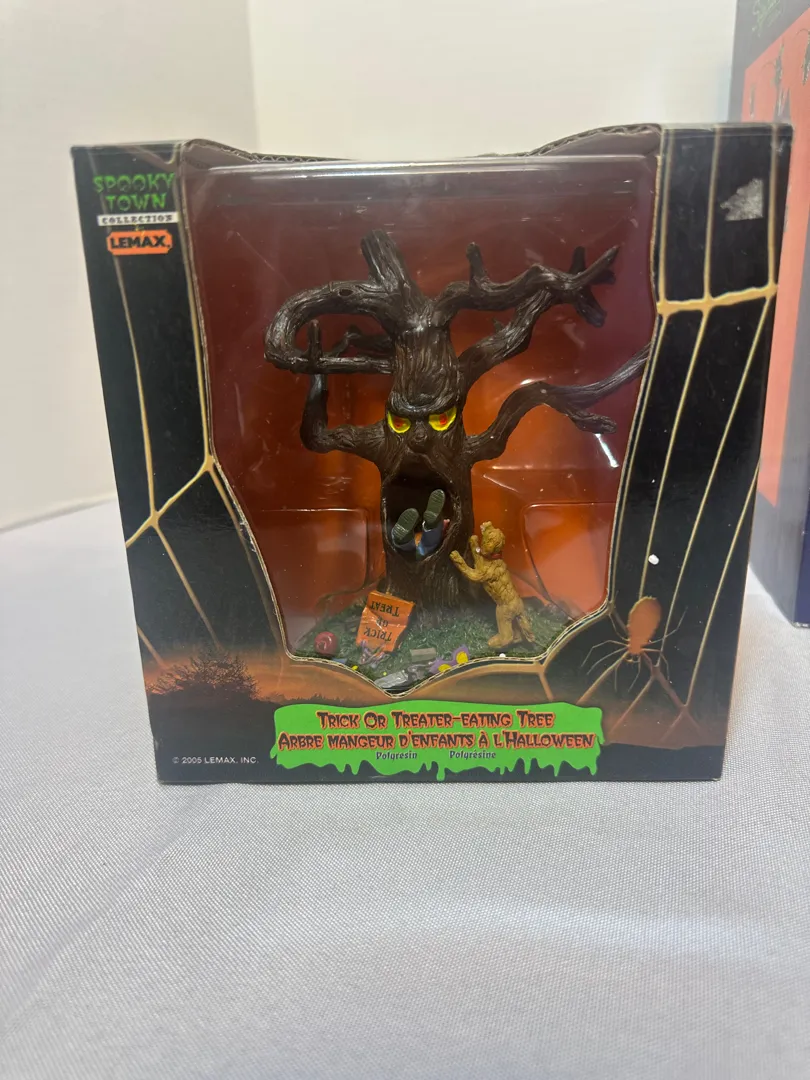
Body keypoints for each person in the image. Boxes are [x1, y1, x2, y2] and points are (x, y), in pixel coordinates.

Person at [391, 489, 446, 558]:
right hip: (425, 553)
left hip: (407, 555)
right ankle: (432, 526)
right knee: (426, 547)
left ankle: (403, 542)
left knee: (409, 554)